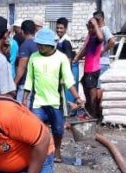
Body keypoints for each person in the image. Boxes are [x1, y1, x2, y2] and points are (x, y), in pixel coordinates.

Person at [23, 28, 85, 162]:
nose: (38, 46)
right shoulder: (34, 57)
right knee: (37, 130)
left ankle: (56, 150)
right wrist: (24, 100)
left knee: (58, 130)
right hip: (38, 102)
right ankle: (40, 153)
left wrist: (77, 98)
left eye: (41, 44)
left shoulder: (61, 58)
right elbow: (29, 79)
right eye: (37, 44)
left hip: (56, 102)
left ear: (50, 45)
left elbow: (69, 80)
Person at [73, 18, 104, 119]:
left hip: (93, 70)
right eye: (89, 28)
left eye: (92, 28)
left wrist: (95, 25)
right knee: (87, 94)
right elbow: (85, 50)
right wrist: (77, 58)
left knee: (92, 97)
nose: (90, 30)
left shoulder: (97, 37)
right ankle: (89, 114)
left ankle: (94, 117)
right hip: (87, 71)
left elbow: (101, 38)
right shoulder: (90, 37)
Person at [56, 17, 78, 105]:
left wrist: (65, 75)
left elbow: (68, 59)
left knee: (64, 94)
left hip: (63, 72)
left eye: (61, 28)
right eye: (57, 28)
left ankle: (67, 112)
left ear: (65, 29)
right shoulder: (59, 40)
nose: (58, 30)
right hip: (59, 71)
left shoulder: (66, 42)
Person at [14, 20, 38, 103]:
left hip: (26, 83)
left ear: (22, 31)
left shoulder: (25, 45)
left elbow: (22, 67)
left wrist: (15, 83)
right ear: (35, 31)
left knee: (21, 109)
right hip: (37, 82)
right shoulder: (39, 44)